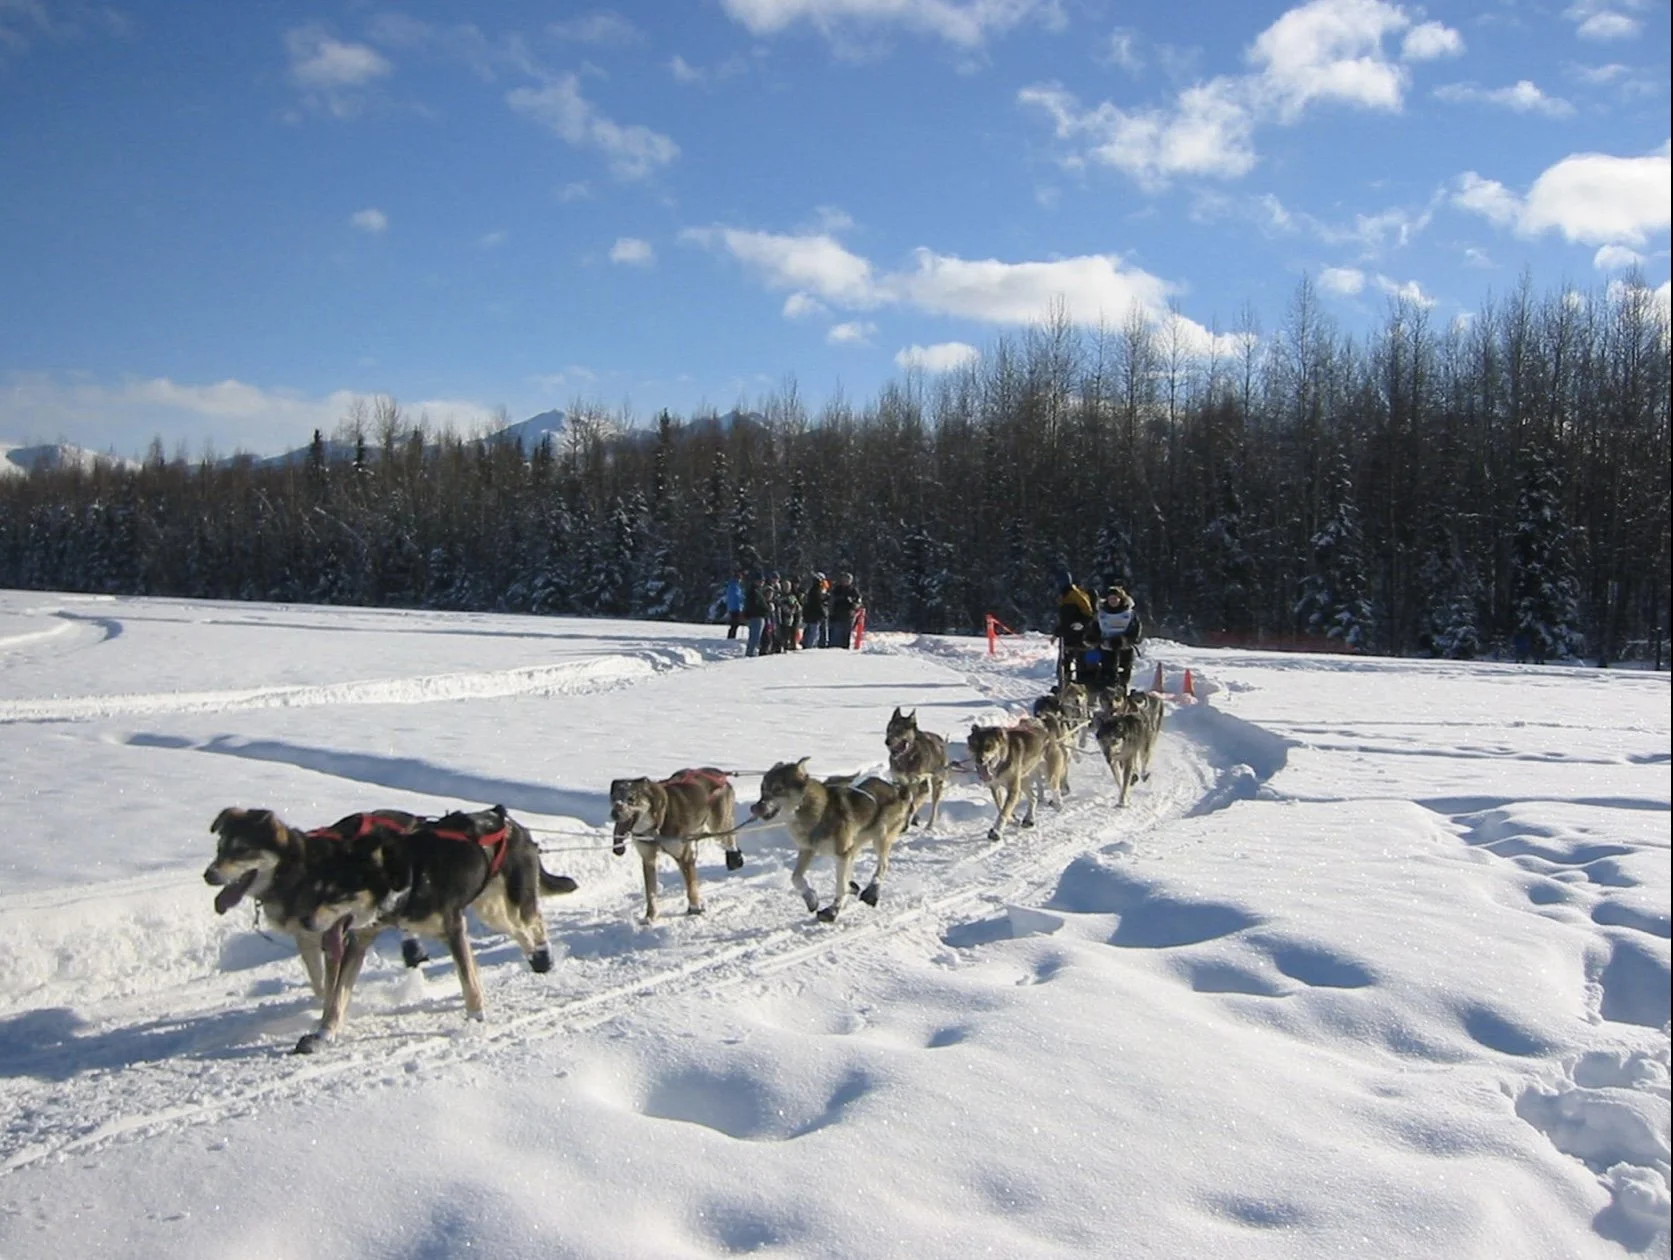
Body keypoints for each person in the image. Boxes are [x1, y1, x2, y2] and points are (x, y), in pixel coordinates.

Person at [1093, 585, 1144, 691]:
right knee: (1107, 673)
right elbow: (1094, 628)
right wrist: (1093, 638)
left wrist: (1124, 640)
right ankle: (1106, 692)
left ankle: (1121, 692)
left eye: (1115, 598)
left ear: (1121, 599)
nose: (1113, 601)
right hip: (1106, 647)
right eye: (1110, 598)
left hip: (1124, 648)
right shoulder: (1101, 613)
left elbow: (1136, 632)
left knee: (1123, 675)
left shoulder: (1130, 613)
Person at [1052, 570, 1096, 687]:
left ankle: (1083, 684)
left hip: (1079, 633)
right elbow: (1065, 619)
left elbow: (1088, 613)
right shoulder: (1063, 596)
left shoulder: (1075, 595)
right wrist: (1057, 632)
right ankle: (1065, 684)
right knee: (1065, 661)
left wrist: (1082, 623)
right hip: (1067, 634)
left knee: (1080, 660)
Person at [828, 572, 863, 648]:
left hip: (848, 616)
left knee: (846, 634)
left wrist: (853, 605)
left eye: (847, 580)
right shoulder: (837, 590)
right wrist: (831, 612)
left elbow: (858, 602)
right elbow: (831, 601)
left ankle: (844, 647)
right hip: (836, 615)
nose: (845, 581)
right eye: (844, 579)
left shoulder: (853, 591)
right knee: (835, 634)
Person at [742, 572, 772, 657]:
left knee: (756, 636)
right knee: (755, 637)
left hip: (759, 616)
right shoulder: (753, 592)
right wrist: (766, 609)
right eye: (760, 581)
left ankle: (751, 652)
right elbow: (755, 605)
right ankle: (750, 653)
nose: (762, 582)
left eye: (763, 581)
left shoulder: (758, 591)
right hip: (756, 616)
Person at [802, 572, 830, 648]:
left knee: (812, 632)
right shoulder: (816, 590)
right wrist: (823, 613)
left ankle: (809, 645)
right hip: (814, 616)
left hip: (812, 615)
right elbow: (817, 603)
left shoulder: (816, 590)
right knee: (813, 633)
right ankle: (809, 647)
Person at [723, 570, 746, 640]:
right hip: (735, 608)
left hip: (732, 607)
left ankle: (731, 636)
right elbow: (737, 597)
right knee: (735, 624)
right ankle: (731, 637)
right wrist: (742, 601)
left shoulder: (733, 586)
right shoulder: (735, 586)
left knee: (734, 624)